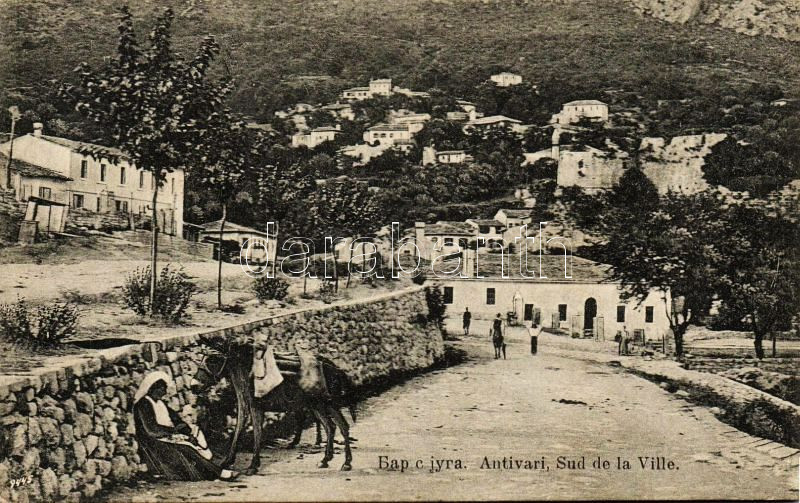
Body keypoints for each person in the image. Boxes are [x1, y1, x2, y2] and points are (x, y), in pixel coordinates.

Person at [133, 371, 238, 481]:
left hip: (166, 435)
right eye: (162, 389)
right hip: (153, 441)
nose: (164, 392)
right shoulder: (144, 404)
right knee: (186, 448)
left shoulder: (161, 403)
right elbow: (151, 429)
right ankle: (219, 472)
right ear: (153, 388)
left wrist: (186, 430)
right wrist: (174, 432)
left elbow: (175, 419)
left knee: (196, 434)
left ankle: (212, 465)